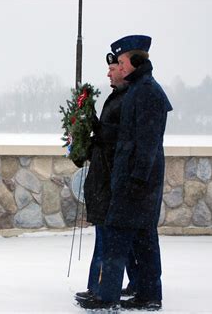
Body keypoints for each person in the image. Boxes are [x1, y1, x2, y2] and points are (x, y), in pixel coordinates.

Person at [77, 35, 173, 311]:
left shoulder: (147, 93)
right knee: (143, 242)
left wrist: (135, 181)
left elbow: (146, 144)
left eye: (120, 61)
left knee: (119, 242)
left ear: (135, 62)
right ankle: (148, 295)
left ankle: (108, 297)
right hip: (134, 181)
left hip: (136, 184)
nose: (116, 67)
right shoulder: (139, 89)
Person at [74, 53, 137, 301]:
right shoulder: (117, 97)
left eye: (114, 67)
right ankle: (135, 282)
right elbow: (104, 141)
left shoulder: (126, 99)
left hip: (111, 179)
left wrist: (94, 125)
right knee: (117, 240)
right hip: (104, 177)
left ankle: (99, 288)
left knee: (108, 239)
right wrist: (83, 143)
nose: (110, 72)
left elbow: (116, 138)